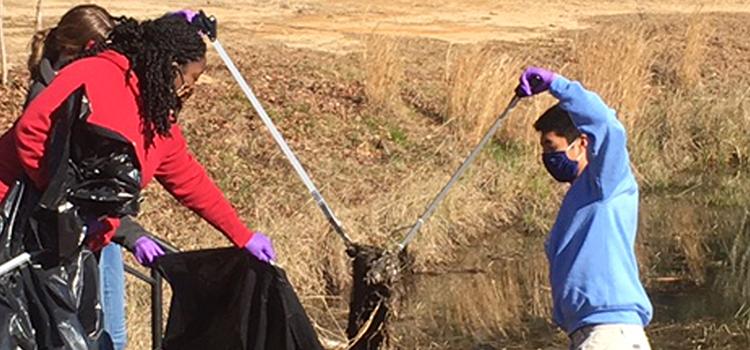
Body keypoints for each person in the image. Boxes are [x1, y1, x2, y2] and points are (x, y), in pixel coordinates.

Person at [0, 5, 162, 349]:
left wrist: (173, 25)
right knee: (66, 333)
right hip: (41, 231)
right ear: (82, 51)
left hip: (94, 227)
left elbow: (97, 179)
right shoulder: (54, 98)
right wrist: (81, 212)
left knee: (110, 330)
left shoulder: (87, 88)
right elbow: (61, 181)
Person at [516, 67, 653, 349]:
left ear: (581, 144)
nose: (547, 156)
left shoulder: (606, 182)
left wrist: (558, 85)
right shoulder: (577, 198)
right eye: (543, 149)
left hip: (611, 334)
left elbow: (607, 125)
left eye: (551, 146)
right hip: (591, 333)